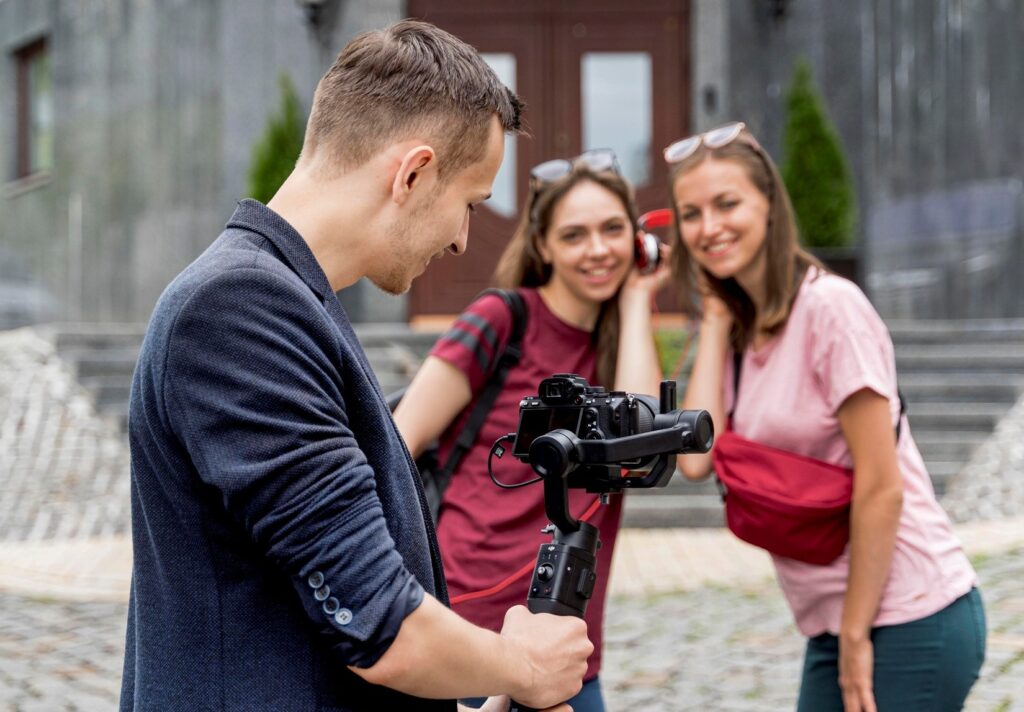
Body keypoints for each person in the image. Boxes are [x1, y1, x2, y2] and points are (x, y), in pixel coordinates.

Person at [120, 20, 594, 712]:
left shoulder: (291, 299)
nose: (464, 241)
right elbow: (377, 622)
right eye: (469, 203)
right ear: (413, 173)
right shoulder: (237, 307)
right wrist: (523, 664)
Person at [667, 122, 986, 711]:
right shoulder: (741, 332)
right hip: (833, 623)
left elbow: (883, 487)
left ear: (769, 204)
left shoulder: (831, 309)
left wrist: (857, 635)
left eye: (727, 204)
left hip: (911, 613)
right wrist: (714, 316)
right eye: (691, 214)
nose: (709, 227)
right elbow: (695, 460)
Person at [395, 149, 668, 712]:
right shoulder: (502, 318)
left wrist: (639, 298)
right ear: (543, 246)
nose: (597, 249)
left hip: (567, 635)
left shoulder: (622, 346)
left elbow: (638, 453)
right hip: (470, 627)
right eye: (573, 235)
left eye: (613, 230)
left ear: (638, 240)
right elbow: (397, 442)